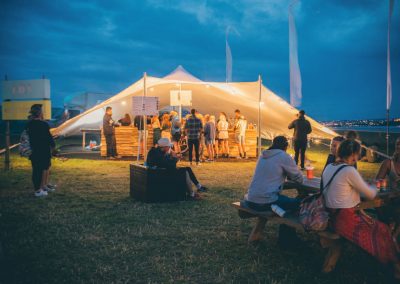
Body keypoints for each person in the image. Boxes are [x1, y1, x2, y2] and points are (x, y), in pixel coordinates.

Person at [323, 139, 400, 279]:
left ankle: (393, 263)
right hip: (345, 219)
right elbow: (370, 194)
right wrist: (374, 185)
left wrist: (361, 186)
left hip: (331, 216)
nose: (358, 158)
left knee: (381, 229)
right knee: (382, 231)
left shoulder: (330, 167)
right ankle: (393, 266)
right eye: (358, 154)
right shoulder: (348, 170)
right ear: (353, 154)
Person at [242, 136, 304, 247]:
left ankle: (260, 234)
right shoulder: (284, 156)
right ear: (286, 146)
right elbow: (299, 178)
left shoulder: (263, 155)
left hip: (251, 199)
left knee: (283, 201)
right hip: (265, 202)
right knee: (298, 204)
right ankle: (287, 240)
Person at [26, 104, 57, 197]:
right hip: (43, 150)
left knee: (37, 169)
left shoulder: (29, 124)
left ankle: (42, 187)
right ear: (40, 113)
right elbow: (49, 137)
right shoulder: (43, 124)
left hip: (34, 150)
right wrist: (54, 146)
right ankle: (38, 190)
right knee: (43, 168)